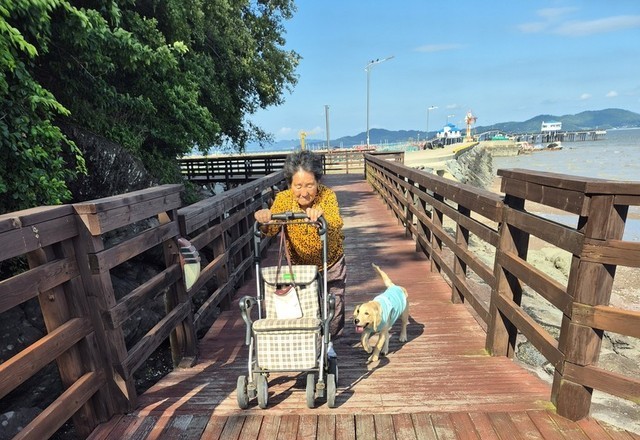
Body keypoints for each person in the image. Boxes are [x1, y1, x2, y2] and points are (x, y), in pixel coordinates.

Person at [254, 150, 346, 357]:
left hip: (330, 259)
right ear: (290, 184)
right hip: (298, 264)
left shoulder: (327, 196)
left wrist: (320, 217)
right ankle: (308, 342)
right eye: (298, 186)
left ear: (318, 182)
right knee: (306, 305)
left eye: (309, 185)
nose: (304, 192)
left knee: (334, 303)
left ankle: (328, 342)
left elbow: (335, 222)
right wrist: (265, 219)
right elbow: (271, 229)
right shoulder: (283, 199)